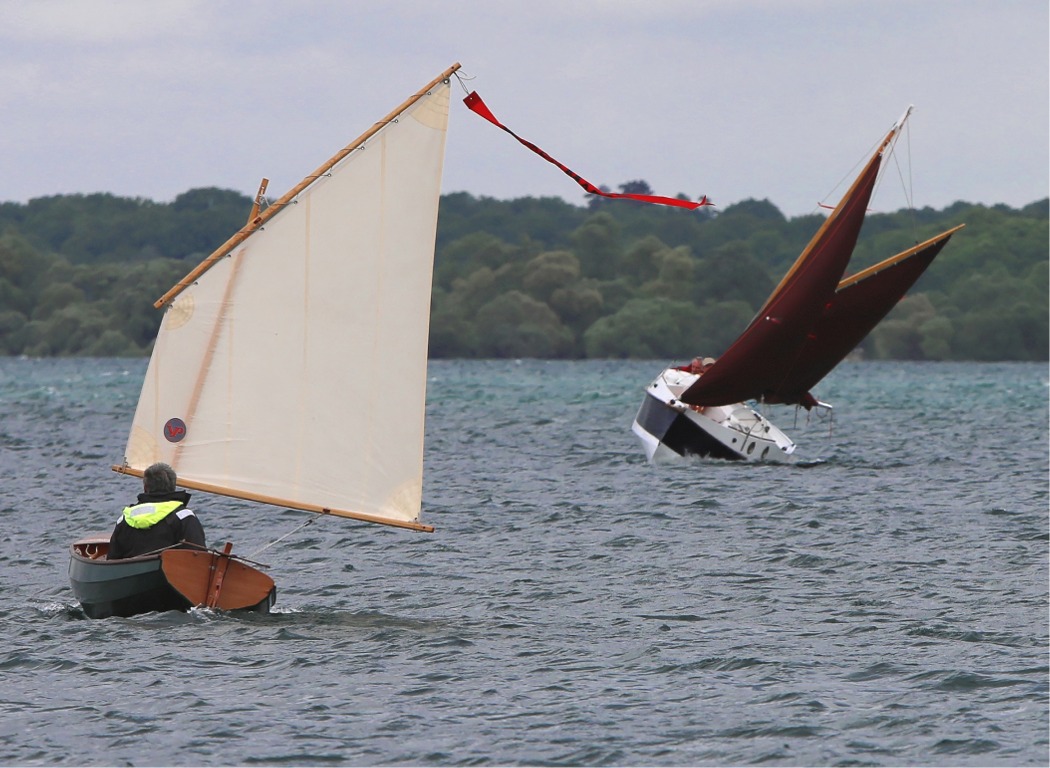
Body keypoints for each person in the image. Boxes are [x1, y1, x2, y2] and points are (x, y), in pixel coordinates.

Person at [108, 462, 206, 559]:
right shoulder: (184, 516)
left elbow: (111, 561)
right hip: (170, 573)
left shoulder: (125, 518)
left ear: (145, 488)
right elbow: (199, 558)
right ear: (173, 487)